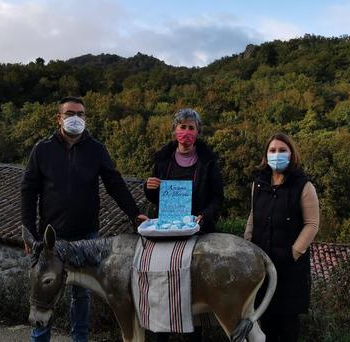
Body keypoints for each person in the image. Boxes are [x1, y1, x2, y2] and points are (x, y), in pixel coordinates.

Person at [21, 96, 148, 342]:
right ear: (59, 118)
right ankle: (40, 338)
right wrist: (28, 230)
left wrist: (134, 213)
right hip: (51, 239)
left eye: (80, 113)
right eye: (69, 113)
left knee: (82, 295)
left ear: (86, 118)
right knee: (46, 288)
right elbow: (28, 190)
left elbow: (114, 183)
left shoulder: (96, 149)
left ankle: (79, 339)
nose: (75, 118)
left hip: (85, 235)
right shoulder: (42, 149)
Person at [144, 108, 224, 341]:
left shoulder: (209, 161)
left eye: (191, 127)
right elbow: (153, 197)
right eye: (182, 127)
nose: (186, 132)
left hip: (196, 232)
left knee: (193, 287)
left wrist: (204, 216)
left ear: (197, 132)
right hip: (166, 232)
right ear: (175, 131)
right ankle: (161, 334)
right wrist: (148, 188)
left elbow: (218, 197)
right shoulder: (162, 159)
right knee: (161, 284)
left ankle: (194, 334)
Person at [244, 132, 319, 342]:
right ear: (266, 155)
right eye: (273, 150)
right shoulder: (258, 184)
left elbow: (312, 225)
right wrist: (248, 243)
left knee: (287, 326)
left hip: (289, 269)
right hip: (261, 267)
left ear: (292, 154)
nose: (277, 154)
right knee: (265, 323)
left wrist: (293, 253)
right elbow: (253, 215)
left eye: (282, 150)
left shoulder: (304, 186)